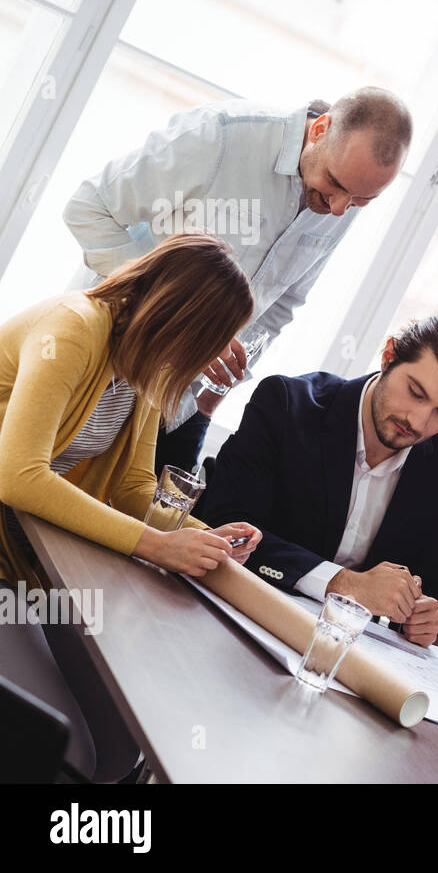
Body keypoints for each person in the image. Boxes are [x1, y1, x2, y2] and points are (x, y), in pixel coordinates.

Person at [0, 233, 264, 781]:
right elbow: (18, 476)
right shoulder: (73, 328)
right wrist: (161, 546)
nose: (207, 363)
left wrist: (205, 537)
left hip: (22, 556)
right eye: (210, 342)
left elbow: (134, 488)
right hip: (11, 554)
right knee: (72, 738)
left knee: (119, 747)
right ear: (179, 318)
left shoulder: (140, 366)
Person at [63, 87, 413, 474]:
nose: (338, 208)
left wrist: (215, 394)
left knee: (151, 523)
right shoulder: (222, 135)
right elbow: (89, 208)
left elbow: (280, 303)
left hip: (181, 405)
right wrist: (181, 322)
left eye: (361, 201)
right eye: (335, 183)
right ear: (320, 129)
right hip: (101, 371)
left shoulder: (344, 191)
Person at [197, 316, 438, 647]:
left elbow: (431, 587)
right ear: (389, 356)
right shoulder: (286, 403)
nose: (418, 421)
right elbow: (224, 525)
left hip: (341, 653)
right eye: (415, 392)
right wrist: (343, 583)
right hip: (234, 620)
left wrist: (422, 616)